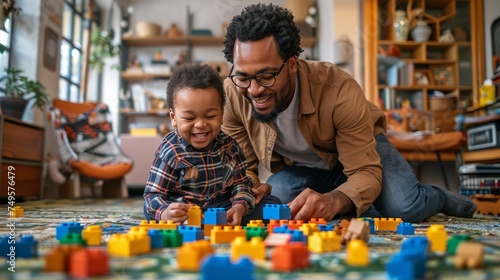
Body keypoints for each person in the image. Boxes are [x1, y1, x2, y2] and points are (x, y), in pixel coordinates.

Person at [221, 3, 477, 223]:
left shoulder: (338, 88)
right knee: (275, 197)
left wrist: (333, 202)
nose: (254, 90)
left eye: (266, 76)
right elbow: (243, 168)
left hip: (363, 155)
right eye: (243, 77)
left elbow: (366, 171)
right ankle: (368, 204)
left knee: (403, 207)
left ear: (291, 65)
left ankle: (438, 196)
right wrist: (246, 194)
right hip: (307, 170)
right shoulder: (233, 94)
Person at [143, 63, 281, 226]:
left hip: (221, 207)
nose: (200, 125)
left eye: (210, 116)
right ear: (173, 118)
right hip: (185, 211)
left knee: (274, 204)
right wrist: (166, 212)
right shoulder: (170, 150)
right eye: (189, 118)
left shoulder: (230, 147)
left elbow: (240, 183)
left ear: (222, 114)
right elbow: (152, 196)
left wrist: (240, 206)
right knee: (157, 214)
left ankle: (227, 219)